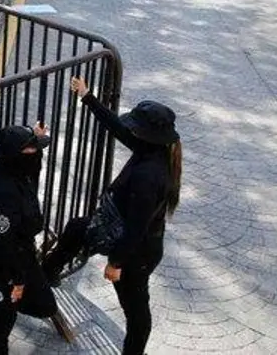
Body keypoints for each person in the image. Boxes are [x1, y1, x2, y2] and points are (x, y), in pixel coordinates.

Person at [42, 77, 182, 355]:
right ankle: (48, 272)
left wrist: (115, 263)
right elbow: (119, 129)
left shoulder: (148, 176)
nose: (132, 131)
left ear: (148, 134)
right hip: (116, 231)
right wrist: (87, 97)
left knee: (137, 315)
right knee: (76, 228)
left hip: (135, 253)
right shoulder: (154, 151)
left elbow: (136, 228)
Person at [0, 124, 58, 355]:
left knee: (45, 304)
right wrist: (17, 281)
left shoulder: (18, 173)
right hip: (0, 268)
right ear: (15, 157)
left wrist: (36, 140)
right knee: (0, 326)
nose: (36, 155)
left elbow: (34, 167)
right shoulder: (2, 193)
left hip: (21, 255)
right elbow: (1, 244)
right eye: (31, 150)